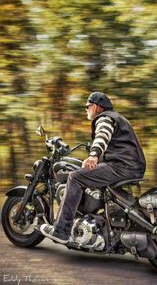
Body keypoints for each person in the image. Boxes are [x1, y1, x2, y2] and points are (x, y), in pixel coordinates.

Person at [40, 91, 146, 243]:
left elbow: (103, 134)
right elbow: (113, 141)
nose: (86, 110)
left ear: (96, 107)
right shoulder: (118, 118)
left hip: (121, 166)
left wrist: (94, 154)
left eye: (87, 106)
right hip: (131, 166)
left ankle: (61, 230)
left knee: (75, 177)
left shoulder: (104, 118)